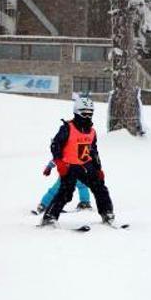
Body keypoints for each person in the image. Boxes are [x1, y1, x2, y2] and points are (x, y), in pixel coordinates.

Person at [40, 97, 115, 227]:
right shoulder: (67, 128)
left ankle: (107, 213)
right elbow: (55, 145)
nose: (87, 116)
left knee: (100, 188)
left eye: (90, 113)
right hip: (69, 166)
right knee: (66, 192)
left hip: (86, 165)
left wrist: (98, 168)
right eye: (84, 113)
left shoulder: (92, 131)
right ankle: (49, 217)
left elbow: (93, 151)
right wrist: (59, 162)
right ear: (77, 112)